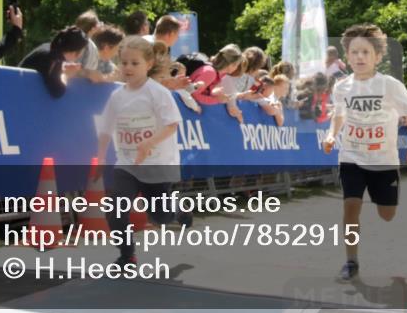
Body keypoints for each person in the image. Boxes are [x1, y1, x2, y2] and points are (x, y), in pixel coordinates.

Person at [323, 23, 407, 281]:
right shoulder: (342, 87)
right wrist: (332, 134)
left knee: (386, 214)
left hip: (384, 160)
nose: (359, 57)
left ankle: (385, 199)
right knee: (350, 207)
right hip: (351, 156)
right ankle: (351, 261)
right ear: (347, 56)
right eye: (354, 52)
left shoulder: (390, 85)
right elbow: (339, 114)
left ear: (378, 57)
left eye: (366, 52)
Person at [95, 36, 190, 266]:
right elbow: (106, 129)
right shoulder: (117, 96)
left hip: (157, 164)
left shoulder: (157, 92)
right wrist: (99, 157)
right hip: (127, 163)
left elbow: (172, 124)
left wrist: (148, 143)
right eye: (124, 63)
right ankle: (127, 256)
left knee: (160, 217)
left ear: (148, 64)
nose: (128, 68)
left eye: (135, 63)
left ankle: (179, 210)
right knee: (115, 208)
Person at [19, 26, 88, 98]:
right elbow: (57, 91)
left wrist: (64, 68)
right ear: (75, 52)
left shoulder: (51, 49)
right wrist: (66, 75)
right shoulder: (52, 57)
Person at [188, 43, 245, 122]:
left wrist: (214, 94)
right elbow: (193, 94)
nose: (236, 68)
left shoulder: (218, 74)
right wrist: (217, 100)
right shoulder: (210, 72)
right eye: (237, 65)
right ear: (232, 64)